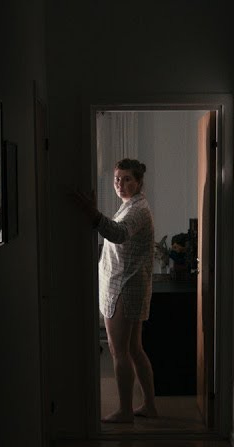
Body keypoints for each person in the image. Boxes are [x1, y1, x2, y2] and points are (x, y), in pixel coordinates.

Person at [70, 158, 158, 423]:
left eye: (127, 179)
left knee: (119, 351)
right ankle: (149, 406)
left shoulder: (138, 210)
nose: (120, 184)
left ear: (139, 182)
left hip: (125, 286)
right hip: (126, 284)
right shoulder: (131, 205)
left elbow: (119, 234)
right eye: (117, 179)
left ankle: (125, 410)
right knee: (134, 348)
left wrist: (92, 214)